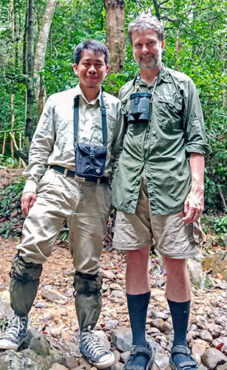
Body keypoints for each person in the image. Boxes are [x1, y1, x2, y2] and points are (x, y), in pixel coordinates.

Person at [0, 39, 123, 369]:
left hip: (97, 190)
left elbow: (123, 154)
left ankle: (87, 333)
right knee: (31, 248)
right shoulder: (57, 102)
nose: (92, 68)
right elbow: (40, 147)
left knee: (89, 264)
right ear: (76, 67)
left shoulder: (116, 107)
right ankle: (19, 320)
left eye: (99, 63)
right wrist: (30, 183)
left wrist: (121, 198)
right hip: (56, 181)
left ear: (106, 69)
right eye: (86, 63)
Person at [111, 13, 209, 370]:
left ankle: (180, 346)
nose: (144, 49)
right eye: (138, 44)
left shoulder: (184, 85)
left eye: (150, 42)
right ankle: (139, 346)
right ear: (132, 48)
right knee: (135, 260)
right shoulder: (126, 92)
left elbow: (195, 142)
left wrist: (196, 190)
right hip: (131, 192)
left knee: (175, 263)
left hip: (171, 188)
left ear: (161, 43)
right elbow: (118, 145)